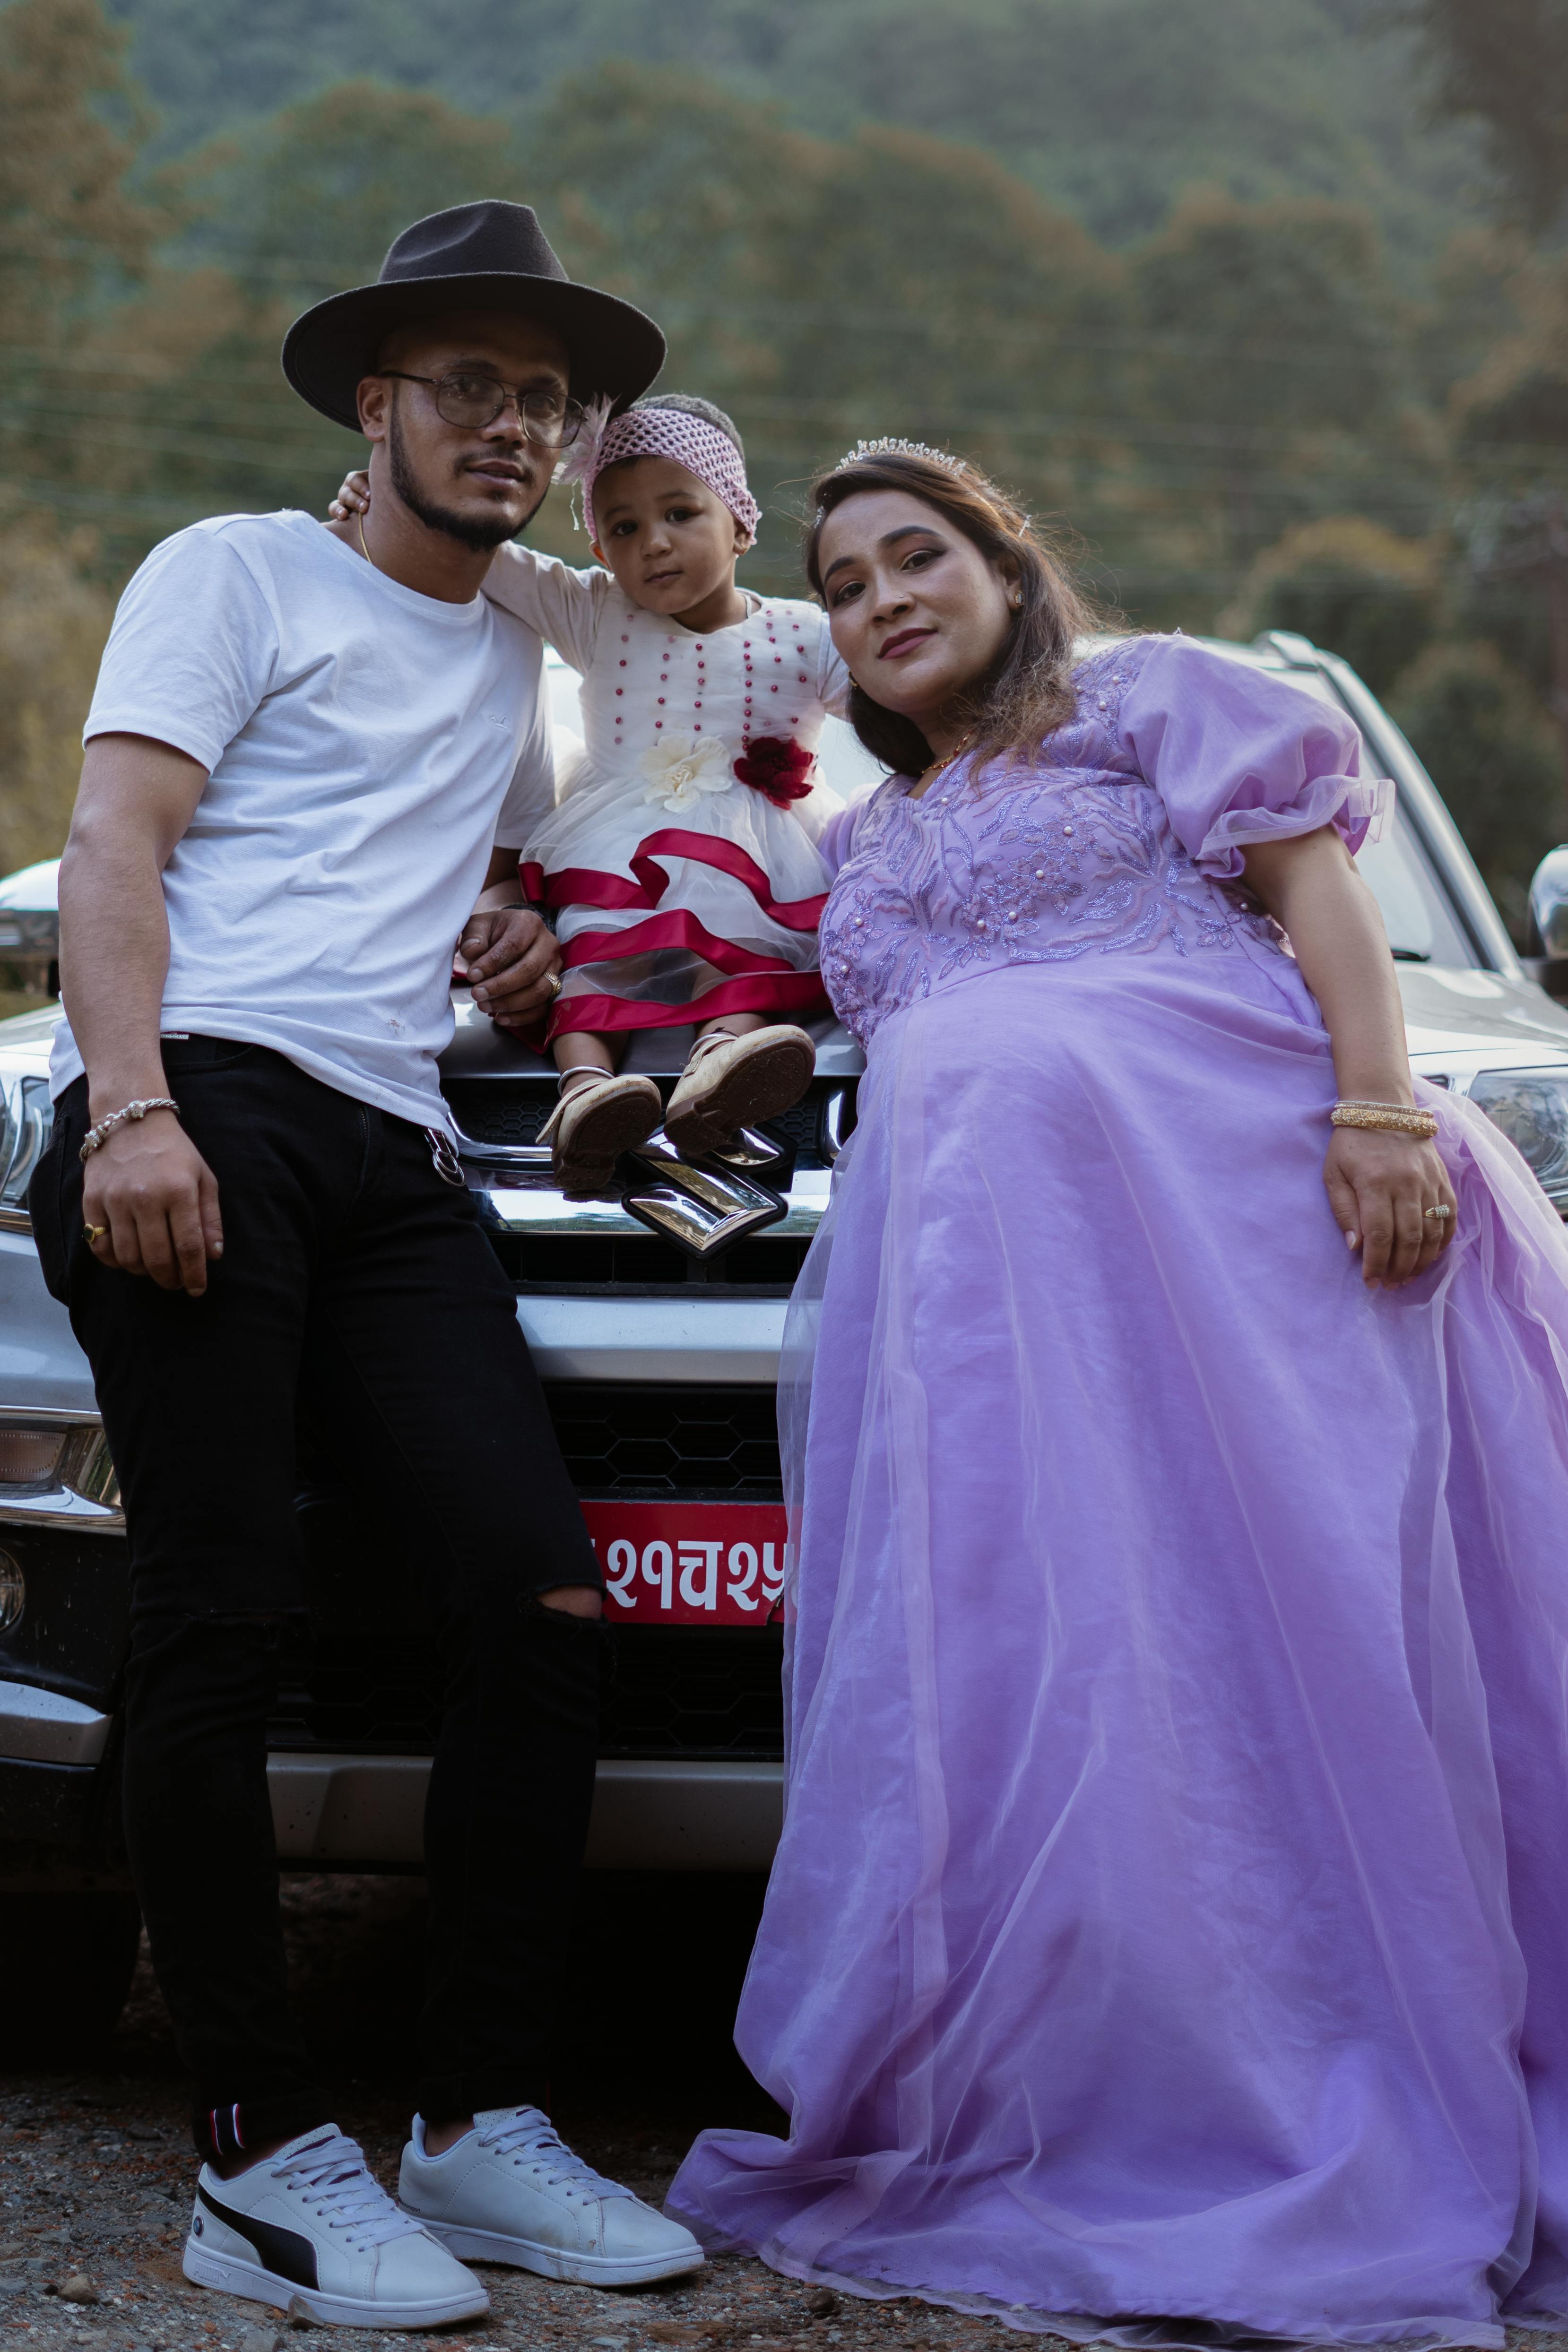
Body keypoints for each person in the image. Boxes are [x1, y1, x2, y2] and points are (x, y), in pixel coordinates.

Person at [668, 442, 1568, 2343]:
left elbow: (1313, 894)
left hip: (1234, 1261)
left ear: (1005, 564)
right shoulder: (874, 844)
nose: (883, 597)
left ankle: (1348, 2064)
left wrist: (1374, 1106)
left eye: (919, 554)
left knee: (1294, 1631)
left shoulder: (1151, 701)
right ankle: (1105, 2062)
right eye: (841, 582)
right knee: (1085, 1670)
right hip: (1005, 1348)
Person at [31, 201, 703, 2331]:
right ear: (375, 400)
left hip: (401, 1151)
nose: (514, 423)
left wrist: (508, 947)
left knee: (540, 1592)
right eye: (473, 384)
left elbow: (466, 898)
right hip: (200, 1106)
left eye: (547, 394)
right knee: (218, 1609)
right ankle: (257, 2142)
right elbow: (120, 844)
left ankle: (477, 2117)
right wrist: (126, 1105)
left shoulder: (521, 660)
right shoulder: (233, 567)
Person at [333, 393, 851, 1193]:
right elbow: (488, 556)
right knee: (593, 955)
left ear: (741, 522)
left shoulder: (807, 634)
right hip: (618, 838)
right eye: (623, 528)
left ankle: (721, 1062)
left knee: (747, 944)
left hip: (760, 846)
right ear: (601, 550)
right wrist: (382, 502)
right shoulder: (597, 614)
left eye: (681, 513)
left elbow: (896, 696)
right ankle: (585, 1094)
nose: (654, 544)